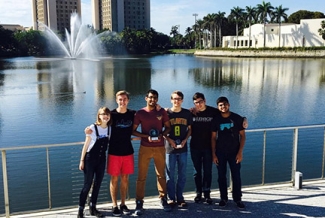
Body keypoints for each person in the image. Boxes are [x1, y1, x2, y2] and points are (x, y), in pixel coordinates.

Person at [85, 91, 136, 217]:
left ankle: (123, 203)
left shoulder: (133, 114)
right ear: (116, 100)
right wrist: (88, 129)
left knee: (125, 179)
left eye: (124, 99)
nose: (122, 102)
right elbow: (100, 122)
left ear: (128, 100)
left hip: (128, 151)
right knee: (114, 179)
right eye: (120, 99)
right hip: (114, 152)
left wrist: (162, 109)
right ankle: (114, 205)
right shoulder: (111, 114)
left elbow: (147, 115)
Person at [132, 89, 171, 215]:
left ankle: (163, 199)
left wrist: (162, 135)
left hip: (160, 147)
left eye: (155, 97)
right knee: (141, 176)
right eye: (150, 97)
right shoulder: (140, 113)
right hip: (145, 148)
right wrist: (145, 136)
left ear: (157, 99)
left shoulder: (162, 112)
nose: (152, 100)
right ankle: (139, 202)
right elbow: (133, 131)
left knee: (161, 175)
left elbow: (168, 127)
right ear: (146, 98)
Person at [211, 96, 246, 209]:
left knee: (236, 176)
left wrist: (240, 152)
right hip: (220, 152)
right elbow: (213, 138)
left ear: (229, 105)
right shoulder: (216, 120)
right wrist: (214, 154)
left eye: (225, 104)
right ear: (218, 107)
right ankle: (223, 198)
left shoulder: (237, 118)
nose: (223, 107)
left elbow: (243, 136)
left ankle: (237, 199)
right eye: (220, 105)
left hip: (234, 152)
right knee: (221, 176)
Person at [78, 107, 112, 218]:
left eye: (107, 114)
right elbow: (86, 145)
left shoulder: (109, 129)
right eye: (103, 114)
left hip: (101, 160)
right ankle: (81, 210)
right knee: (87, 185)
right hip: (90, 160)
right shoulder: (92, 128)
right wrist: (82, 160)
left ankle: (93, 208)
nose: (105, 116)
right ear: (99, 116)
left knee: (97, 185)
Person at [164, 91, 192, 208]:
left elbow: (190, 129)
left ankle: (180, 197)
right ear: (171, 100)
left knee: (182, 174)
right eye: (174, 99)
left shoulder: (187, 113)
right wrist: (169, 140)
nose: (177, 101)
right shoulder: (166, 113)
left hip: (183, 149)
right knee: (169, 175)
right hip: (169, 150)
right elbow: (162, 131)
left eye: (179, 99)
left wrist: (186, 139)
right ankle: (171, 198)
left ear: (182, 100)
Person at [190, 92, 218, 204]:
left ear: (205, 101)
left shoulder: (213, 112)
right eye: (196, 102)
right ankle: (198, 193)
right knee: (197, 172)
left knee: (208, 171)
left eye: (200, 101)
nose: (199, 104)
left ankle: (207, 194)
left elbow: (228, 114)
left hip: (208, 147)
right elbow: (176, 113)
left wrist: (243, 119)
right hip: (195, 147)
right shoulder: (191, 112)